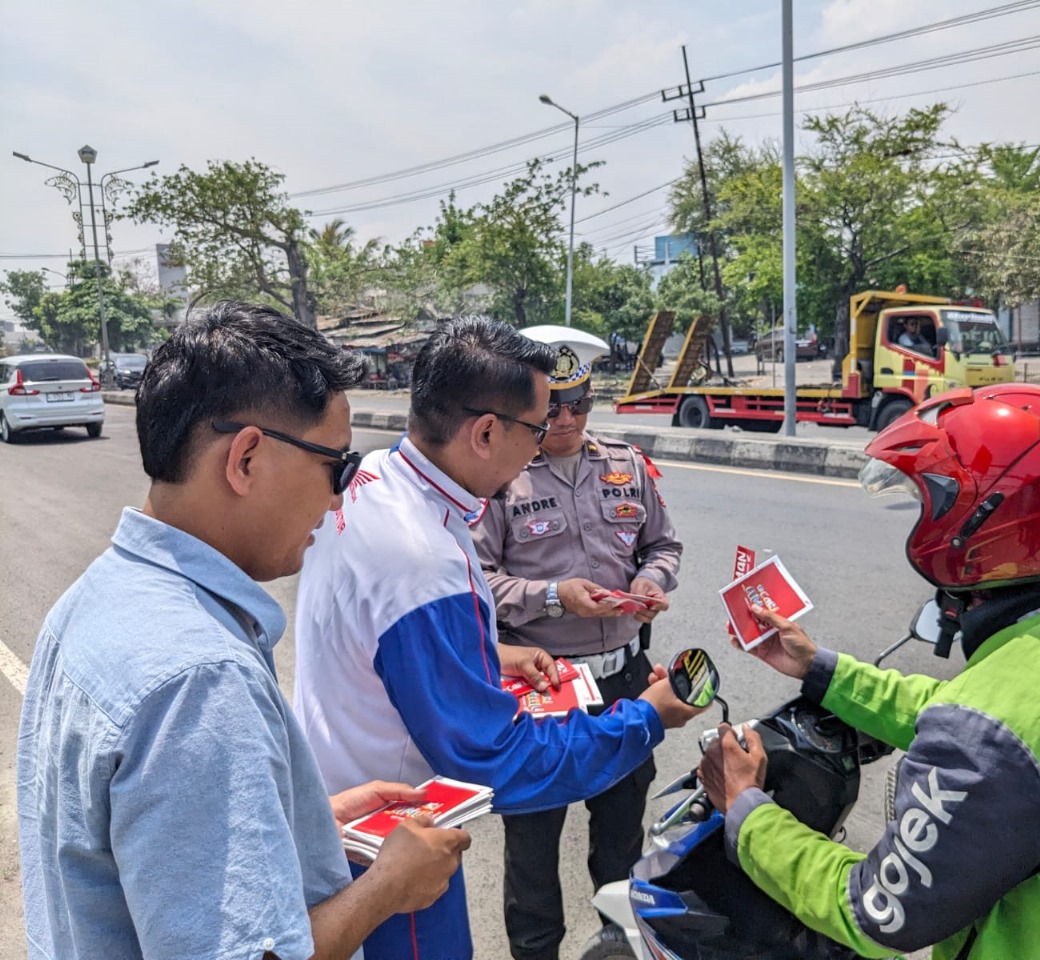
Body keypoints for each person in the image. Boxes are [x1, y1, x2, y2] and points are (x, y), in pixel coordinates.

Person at [17, 300, 470, 960]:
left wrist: (304, 820)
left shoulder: (95, 601)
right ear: (248, 459)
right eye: (337, 466)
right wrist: (390, 887)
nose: (341, 497)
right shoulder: (200, 679)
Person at [699, 383, 1040, 960]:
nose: (920, 516)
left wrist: (747, 812)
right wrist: (820, 669)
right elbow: (967, 712)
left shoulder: (993, 728)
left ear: (983, 520)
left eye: (929, 501)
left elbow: (876, 911)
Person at [292, 317, 706, 960]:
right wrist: (649, 718)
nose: (547, 440)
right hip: (390, 845)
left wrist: (493, 650)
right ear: (487, 431)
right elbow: (498, 760)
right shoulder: (424, 562)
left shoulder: (377, 476)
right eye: (537, 428)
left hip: (351, 809)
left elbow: (391, 646)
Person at [471, 325, 683, 960]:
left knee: (621, 841)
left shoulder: (626, 464)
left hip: (623, 679)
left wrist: (649, 580)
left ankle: (619, 948)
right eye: (552, 406)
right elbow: (476, 582)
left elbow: (663, 544)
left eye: (580, 403)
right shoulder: (500, 480)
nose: (565, 419)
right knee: (533, 848)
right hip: (541, 685)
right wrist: (556, 596)